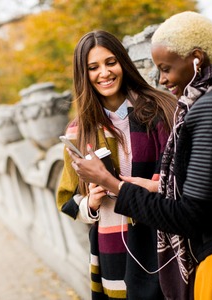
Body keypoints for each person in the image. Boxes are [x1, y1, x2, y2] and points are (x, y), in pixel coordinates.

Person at [68, 12, 212, 300]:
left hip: (203, 250)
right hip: (140, 248)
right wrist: (97, 200)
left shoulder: (198, 110)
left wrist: (115, 184)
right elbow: (189, 188)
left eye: (165, 68)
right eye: (93, 67)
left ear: (195, 58)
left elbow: (187, 211)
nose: (161, 79)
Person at [56, 30, 176, 299]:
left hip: (160, 234)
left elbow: (178, 177)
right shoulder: (78, 131)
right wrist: (91, 203)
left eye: (110, 62)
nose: (104, 73)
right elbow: (67, 201)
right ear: (83, 74)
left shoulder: (160, 109)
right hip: (113, 245)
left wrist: (151, 186)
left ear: (123, 62)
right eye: (93, 67)